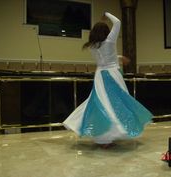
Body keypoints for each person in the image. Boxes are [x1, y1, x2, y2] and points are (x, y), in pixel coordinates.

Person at [63, 12, 152, 148]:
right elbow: (117, 22)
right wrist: (106, 14)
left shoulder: (92, 46)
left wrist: (119, 57)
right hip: (112, 75)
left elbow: (105, 57)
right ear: (106, 32)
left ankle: (102, 136)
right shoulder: (110, 41)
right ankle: (109, 136)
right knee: (116, 104)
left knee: (100, 103)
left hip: (100, 76)